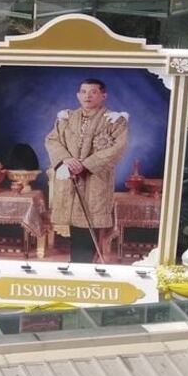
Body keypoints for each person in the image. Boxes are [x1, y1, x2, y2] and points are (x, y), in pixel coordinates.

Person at [45, 78, 129, 263]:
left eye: (93, 92)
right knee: (75, 222)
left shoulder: (114, 120)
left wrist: (86, 164)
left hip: (95, 179)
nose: (87, 96)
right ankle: (78, 263)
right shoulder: (66, 118)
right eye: (83, 92)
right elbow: (52, 140)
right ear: (77, 95)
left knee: (89, 220)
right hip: (69, 178)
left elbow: (117, 148)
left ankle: (83, 264)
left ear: (103, 95)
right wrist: (66, 160)